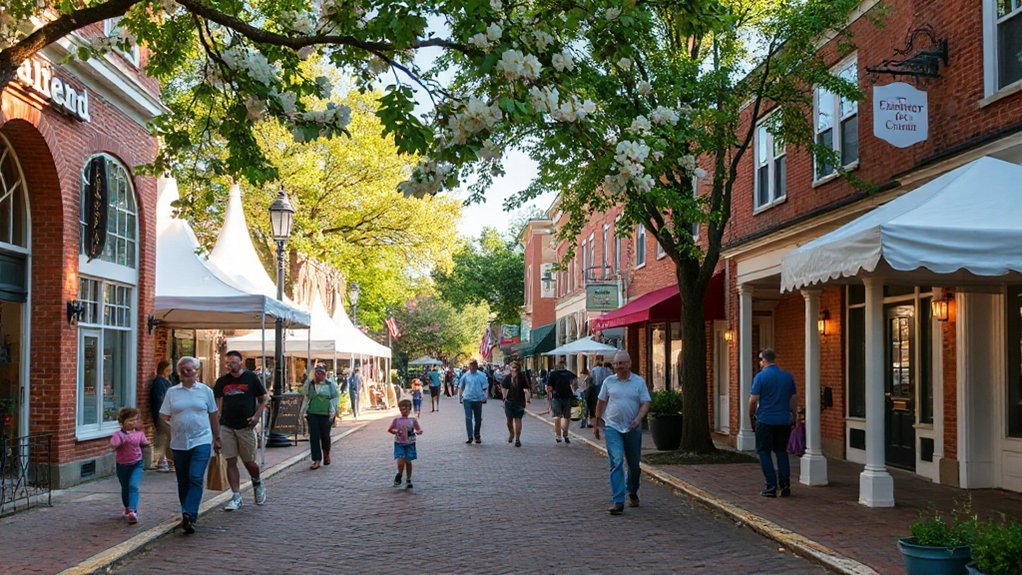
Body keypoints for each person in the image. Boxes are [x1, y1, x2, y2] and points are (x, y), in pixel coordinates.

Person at [160, 356, 220, 534]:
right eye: (183, 369)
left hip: (201, 439)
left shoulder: (205, 391)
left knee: (195, 477)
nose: (187, 372)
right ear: (178, 372)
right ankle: (186, 511)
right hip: (179, 442)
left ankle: (189, 513)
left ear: (197, 371)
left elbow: (213, 415)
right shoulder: (172, 392)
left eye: (190, 369)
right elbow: (163, 416)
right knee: (183, 480)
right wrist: (170, 431)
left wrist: (217, 438)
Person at [592, 350, 651, 515]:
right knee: (616, 462)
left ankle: (632, 490)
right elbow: (601, 402)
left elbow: (646, 402)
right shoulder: (608, 381)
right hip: (612, 427)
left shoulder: (638, 382)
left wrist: (638, 419)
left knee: (634, 465)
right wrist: (596, 424)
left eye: (622, 363)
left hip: (632, 427)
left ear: (629, 363)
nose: (619, 367)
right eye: (616, 364)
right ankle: (618, 501)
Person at [213, 350, 268, 511]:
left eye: (233, 362)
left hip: (246, 426)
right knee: (230, 460)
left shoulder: (251, 378)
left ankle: (257, 482)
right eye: (228, 362)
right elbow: (216, 403)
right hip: (227, 426)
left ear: (240, 362)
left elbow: (263, 398)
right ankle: (236, 496)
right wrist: (217, 423)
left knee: (249, 461)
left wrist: (257, 415)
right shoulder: (222, 381)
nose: (230, 365)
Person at [749, 348, 798, 498]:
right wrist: (793, 416)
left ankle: (771, 486)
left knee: (764, 452)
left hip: (765, 420)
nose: (760, 362)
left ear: (764, 360)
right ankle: (785, 484)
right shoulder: (787, 376)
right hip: (784, 420)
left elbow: (753, 400)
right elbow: (793, 399)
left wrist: (751, 415)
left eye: (760, 359)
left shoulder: (761, 377)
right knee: (781, 451)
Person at [110, 407, 149, 525]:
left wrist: (146, 444)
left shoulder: (140, 433)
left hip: (137, 463)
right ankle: (127, 507)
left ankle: (133, 510)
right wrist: (118, 443)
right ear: (122, 421)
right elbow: (113, 445)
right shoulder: (118, 435)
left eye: (135, 420)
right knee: (125, 487)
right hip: (122, 465)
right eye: (130, 420)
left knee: (133, 486)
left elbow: (145, 442)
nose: (133, 423)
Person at [305, 364, 339, 470]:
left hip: (326, 414)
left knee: (325, 435)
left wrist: (333, 410)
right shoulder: (310, 384)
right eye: (317, 373)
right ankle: (316, 460)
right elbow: (306, 396)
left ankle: (326, 454)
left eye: (321, 373)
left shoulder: (330, 384)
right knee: (314, 436)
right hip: (312, 412)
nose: (319, 375)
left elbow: (335, 397)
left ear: (325, 374)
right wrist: (303, 411)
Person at [388, 399, 423, 488]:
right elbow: (390, 429)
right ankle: (399, 474)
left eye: (405, 409)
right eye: (401, 409)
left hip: (410, 443)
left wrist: (419, 431)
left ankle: (408, 479)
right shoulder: (397, 420)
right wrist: (396, 431)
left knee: (408, 461)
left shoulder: (412, 420)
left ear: (409, 409)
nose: (403, 411)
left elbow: (418, 429)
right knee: (400, 459)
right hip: (399, 443)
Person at [149, 360, 174, 472]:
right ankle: (162, 461)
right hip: (162, 415)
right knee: (164, 438)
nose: (170, 371)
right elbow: (160, 398)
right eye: (169, 368)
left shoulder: (165, 380)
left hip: (164, 414)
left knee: (165, 438)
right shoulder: (159, 381)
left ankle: (163, 461)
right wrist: (165, 413)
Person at [500, 361, 532, 447]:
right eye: (512, 367)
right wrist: (504, 398)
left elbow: (526, 390)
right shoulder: (508, 377)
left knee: (516, 420)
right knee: (510, 421)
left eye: (515, 367)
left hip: (517, 402)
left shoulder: (522, 377)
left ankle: (517, 439)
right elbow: (504, 388)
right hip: (511, 402)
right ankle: (512, 434)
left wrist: (527, 399)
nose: (513, 369)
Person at [546, 361, 577, 444]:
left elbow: (549, 387)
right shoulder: (570, 374)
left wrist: (549, 399)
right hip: (568, 397)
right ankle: (566, 434)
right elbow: (576, 385)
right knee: (567, 417)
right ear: (565, 366)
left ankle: (558, 436)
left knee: (557, 417)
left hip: (556, 397)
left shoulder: (552, 374)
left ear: (557, 366)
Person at [458, 359, 489, 444]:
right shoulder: (465, 376)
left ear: (476, 366)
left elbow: (485, 387)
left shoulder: (482, 375)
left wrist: (485, 397)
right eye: (470, 366)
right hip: (467, 399)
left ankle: (477, 435)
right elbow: (461, 387)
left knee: (478, 419)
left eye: (473, 366)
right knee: (468, 418)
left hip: (478, 399)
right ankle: (470, 437)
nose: (471, 368)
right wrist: (460, 397)